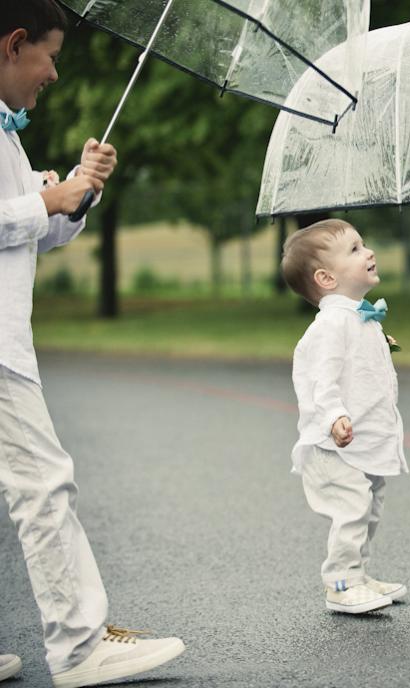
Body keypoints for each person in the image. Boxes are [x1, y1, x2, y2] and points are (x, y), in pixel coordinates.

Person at [0, 1, 186, 685]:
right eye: (48, 56)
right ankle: (80, 648)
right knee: (43, 485)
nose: (53, 73)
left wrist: (80, 190)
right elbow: (22, 217)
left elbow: (36, 232)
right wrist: (42, 201)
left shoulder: (7, 136)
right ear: (13, 44)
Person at [282, 219, 409, 615]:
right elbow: (322, 377)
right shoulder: (332, 323)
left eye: (364, 244)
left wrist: (379, 345)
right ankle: (339, 583)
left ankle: (358, 575)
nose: (368, 252)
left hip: (364, 441)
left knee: (368, 510)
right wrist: (334, 415)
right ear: (326, 277)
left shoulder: (358, 316)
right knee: (352, 510)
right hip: (335, 445)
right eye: (354, 249)